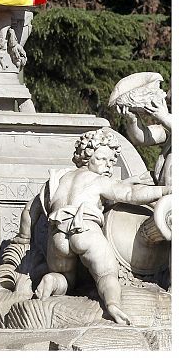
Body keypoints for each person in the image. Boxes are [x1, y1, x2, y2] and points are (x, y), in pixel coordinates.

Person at [36, 128, 170, 325]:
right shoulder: (98, 181)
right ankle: (113, 305)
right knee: (107, 275)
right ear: (87, 156)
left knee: (64, 278)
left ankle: (51, 282)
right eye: (102, 159)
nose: (107, 166)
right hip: (85, 231)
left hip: (57, 236)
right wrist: (166, 189)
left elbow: (30, 213)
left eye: (111, 162)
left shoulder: (58, 179)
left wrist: (23, 237)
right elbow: (130, 195)